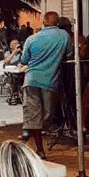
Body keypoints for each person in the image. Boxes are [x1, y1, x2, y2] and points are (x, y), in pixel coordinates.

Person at [19, 10, 71, 158]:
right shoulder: (63, 36)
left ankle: (39, 149)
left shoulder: (31, 39)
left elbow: (24, 60)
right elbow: (70, 53)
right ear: (58, 22)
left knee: (33, 116)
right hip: (49, 82)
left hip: (31, 80)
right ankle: (32, 139)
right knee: (47, 116)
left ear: (43, 22)